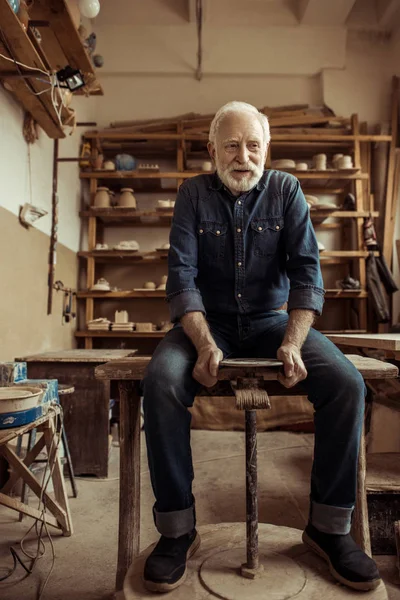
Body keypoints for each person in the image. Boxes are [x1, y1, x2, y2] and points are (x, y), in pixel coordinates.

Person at [142, 101, 380, 593]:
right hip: (209, 325)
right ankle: (177, 530)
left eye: (253, 145)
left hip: (274, 323)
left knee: (345, 384)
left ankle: (329, 529)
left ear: (267, 149)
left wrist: (293, 342)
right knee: (161, 381)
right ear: (212, 150)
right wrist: (206, 343)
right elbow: (181, 278)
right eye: (231, 145)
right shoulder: (192, 194)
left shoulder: (287, 189)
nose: (243, 156)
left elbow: (307, 274)